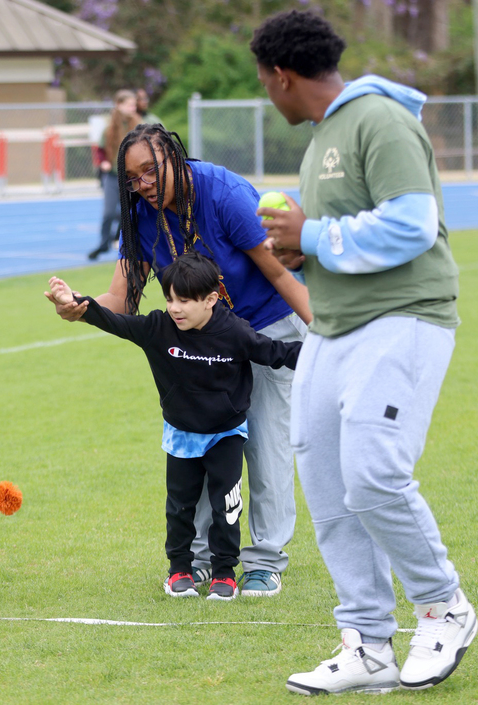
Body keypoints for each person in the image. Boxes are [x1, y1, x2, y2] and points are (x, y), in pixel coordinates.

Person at [251, 10, 477, 695]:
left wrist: (311, 235)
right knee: (325, 480)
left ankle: (444, 606)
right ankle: (368, 642)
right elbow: (342, 239)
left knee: (375, 471)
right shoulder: (326, 133)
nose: (268, 93)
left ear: (281, 76)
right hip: (333, 327)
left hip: (404, 318)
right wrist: (302, 248)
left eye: (265, 83)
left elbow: (413, 223)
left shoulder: (378, 119)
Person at [47, 123, 311, 599]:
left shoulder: (224, 194)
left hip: (265, 325)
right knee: (203, 442)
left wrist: (328, 334)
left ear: (175, 158)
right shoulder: (141, 215)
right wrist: (79, 305)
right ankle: (205, 560)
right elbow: (121, 299)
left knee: (266, 446)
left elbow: (278, 271)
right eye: (132, 177)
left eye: (150, 171)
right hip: (201, 338)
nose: (142, 184)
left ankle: (264, 561)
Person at [47, 251, 301, 600]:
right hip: (181, 434)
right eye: (169, 299)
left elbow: (275, 353)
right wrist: (78, 303)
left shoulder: (234, 332)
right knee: (180, 507)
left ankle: (224, 574)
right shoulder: (158, 328)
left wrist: (323, 351)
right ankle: (179, 570)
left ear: (211, 299)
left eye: (184, 300)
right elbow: (113, 321)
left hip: (226, 434)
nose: (175, 308)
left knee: (226, 505)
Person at [88, 90, 141, 260]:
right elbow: (100, 150)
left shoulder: (139, 126)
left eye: (134, 105)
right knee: (109, 212)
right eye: (129, 104)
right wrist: (103, 161)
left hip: (132, 176)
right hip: (112, 176)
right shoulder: (109, 128)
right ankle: (104, 243)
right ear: (119, 105)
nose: (133, 108)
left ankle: (122, 241)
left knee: (130, 211)